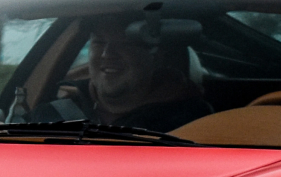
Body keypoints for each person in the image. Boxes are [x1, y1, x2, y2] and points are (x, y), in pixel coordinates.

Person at [82, 17, 210, 132]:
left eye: (125, 44)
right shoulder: (68, 97)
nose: (107, 54)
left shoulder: (188, 121)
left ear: (157, 57)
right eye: (99, 43)